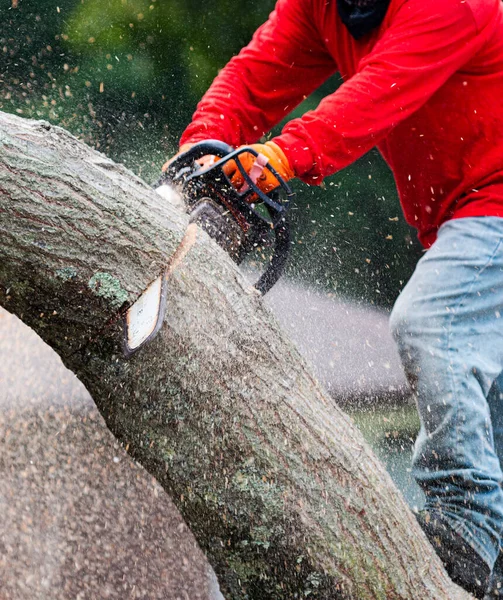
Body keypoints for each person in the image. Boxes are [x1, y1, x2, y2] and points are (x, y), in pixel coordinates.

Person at [166, 0, 503, 596]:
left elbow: (375, 93)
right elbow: (251, 78)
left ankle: (469, 528)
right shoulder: (320, 8)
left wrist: (272, 160)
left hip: (492, 205)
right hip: (461, 217)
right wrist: (198, 161)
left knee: (431, 325)